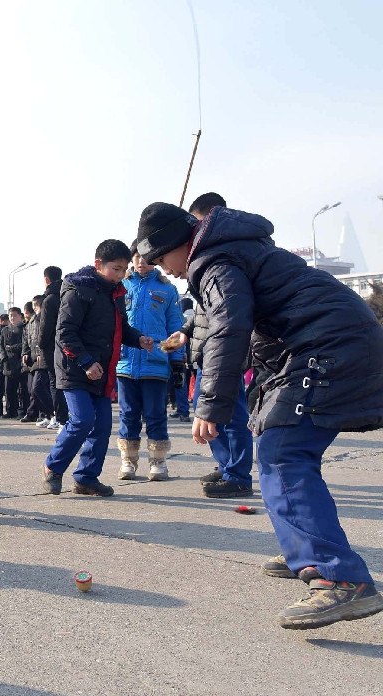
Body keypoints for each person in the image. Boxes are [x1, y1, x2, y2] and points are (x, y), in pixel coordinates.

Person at [138, 199, 383, 630]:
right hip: (334, 342)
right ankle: (305, 550)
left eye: (161, 259)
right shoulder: (235, 248)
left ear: (179, 244)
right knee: (279, 444)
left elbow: (229, 326)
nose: (166, 270)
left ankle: (339, 577)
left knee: (283, 452)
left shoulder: (212, 261)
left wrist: (211, 403)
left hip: (329, 346)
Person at [41, 240, 154, 498]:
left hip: (102, 370)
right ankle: (52, 467)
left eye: (124, 269)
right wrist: (85, 362)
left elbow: (121, 328)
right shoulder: (78, 289)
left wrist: (138, 339)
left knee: (102, 426)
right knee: (82, 420)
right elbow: (65, 333)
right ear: (98, 265)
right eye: (116, 269)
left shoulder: (117, 293)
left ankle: (86, 478)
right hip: (74, 368)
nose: (120, 274)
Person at [177, 194, 256, 499]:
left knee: (232, 416)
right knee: (207, 413)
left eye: (196, 223)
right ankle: (225, 466)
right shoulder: (205, 261)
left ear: (212, 217)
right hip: (204, 353)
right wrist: (185, 332)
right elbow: (203, 313)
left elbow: (229, 314)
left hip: (225, 354)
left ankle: (238, 475)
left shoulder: (226, 256)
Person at [114, 245, 185, 481]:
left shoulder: (167, 289)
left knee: (156, 415)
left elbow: (175, 327)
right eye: (137, 257)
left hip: (155, 362)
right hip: (125, 362)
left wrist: (176, 361)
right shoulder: (120, 287)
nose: (141, 262)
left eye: (146, 258)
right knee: (128, 414)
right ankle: (128, 461)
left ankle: (158, 461)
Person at [37, 266, 67, 430]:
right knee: (64, 383)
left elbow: (45, 327)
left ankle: (61, 419)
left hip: (51, 347)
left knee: (55, 384)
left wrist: (40, 345)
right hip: (68, 344)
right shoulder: (67, 294)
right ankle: (62, 418)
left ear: (46, 280)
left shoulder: (49, 300)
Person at [21, 294, 52, 425]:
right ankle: (47, 415)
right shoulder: (31, 321)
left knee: (38, 387)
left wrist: (40, 353)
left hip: (42, 358)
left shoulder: (44, 317)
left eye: (35, 304)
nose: (34, 307)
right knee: (32, 390)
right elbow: (27, 339)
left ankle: (54, 413)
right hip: (33, 359)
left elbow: (43, 337)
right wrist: (25, 353)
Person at [0, 307, 28, 419]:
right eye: (11, 315)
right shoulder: (5, 330)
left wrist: (11, 348)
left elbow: (24, 345)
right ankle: (10, 411)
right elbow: (1, 346)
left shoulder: (24, 328)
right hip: (8, 363)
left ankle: (22, 411)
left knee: (22, 390)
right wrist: (3, 358)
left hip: (20, 362)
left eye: (15, 315)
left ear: (20, 316)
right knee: (9, 389)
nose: (12, 318)